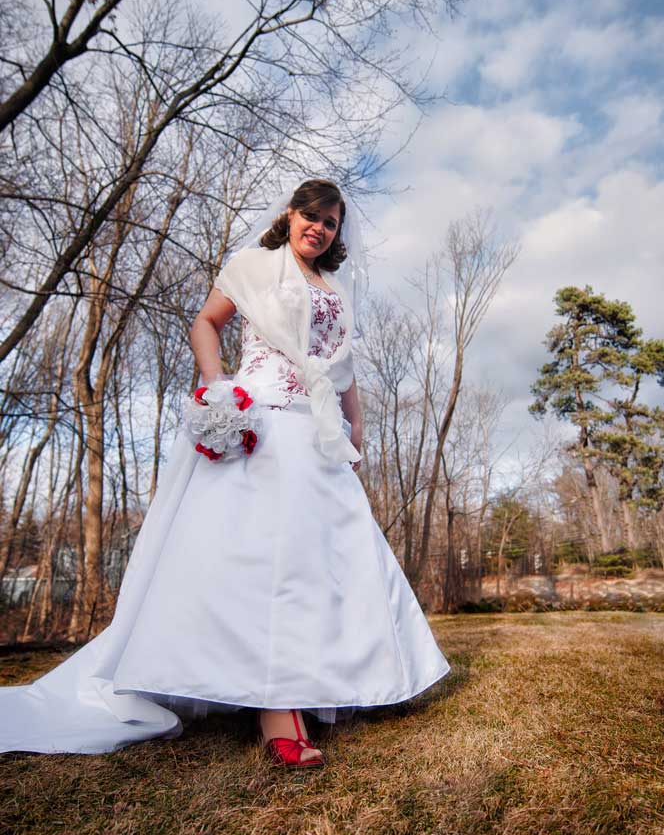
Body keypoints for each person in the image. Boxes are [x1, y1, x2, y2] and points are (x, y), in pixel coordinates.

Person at [0, 178, 451, 767]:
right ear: (290, 215)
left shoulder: (337, 288)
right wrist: (220, 390)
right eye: (311, 215)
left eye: (331, 222)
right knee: (267, 562)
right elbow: (206, 323)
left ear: (339, 233)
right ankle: (277, 711)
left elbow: (341, 366)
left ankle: (319, 680)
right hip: (262, 423)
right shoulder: (255, 266)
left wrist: (354, 426)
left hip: (317, 432)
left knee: (326, 560)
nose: (319, 227)